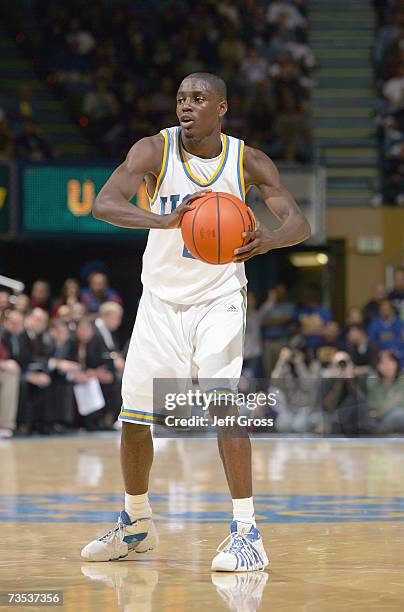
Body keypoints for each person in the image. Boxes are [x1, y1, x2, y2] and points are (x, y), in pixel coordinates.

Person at [81, 72, 310, 570]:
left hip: (218, 299)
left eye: (198, 99)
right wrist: (161, 220)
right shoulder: (153, 151)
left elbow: (298, 222)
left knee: (223, 406)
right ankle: (136, 522)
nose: (187, 106)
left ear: (221, 108)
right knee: (135, 419)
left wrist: (270, 239)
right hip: (160, 302)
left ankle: (247, 532)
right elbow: (104, 204)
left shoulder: (245, 159)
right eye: (181, 98)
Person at [367, 350, 404, 433]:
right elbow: (374, 410)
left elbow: (401, 405)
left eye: (391, 362)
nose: (388, 366)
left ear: (397, 364)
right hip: (378, 422)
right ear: (378, 366)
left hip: (398, 421)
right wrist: (392, 402)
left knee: (399, 415)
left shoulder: (402, 380)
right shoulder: (373, 381)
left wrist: (384, 408)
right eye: (383, 363)